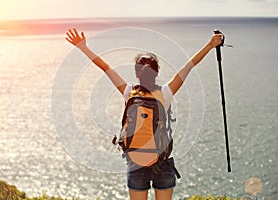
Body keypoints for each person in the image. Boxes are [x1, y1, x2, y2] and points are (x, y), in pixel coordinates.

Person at [65, 27, 222, 200]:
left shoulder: (129, 92)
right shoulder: (165, 94)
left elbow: (105, 67)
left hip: (136, 162)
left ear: (136, 73)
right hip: (162, 162)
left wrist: (83, 47)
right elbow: (189, 65)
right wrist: (210, 45)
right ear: (156, 73)